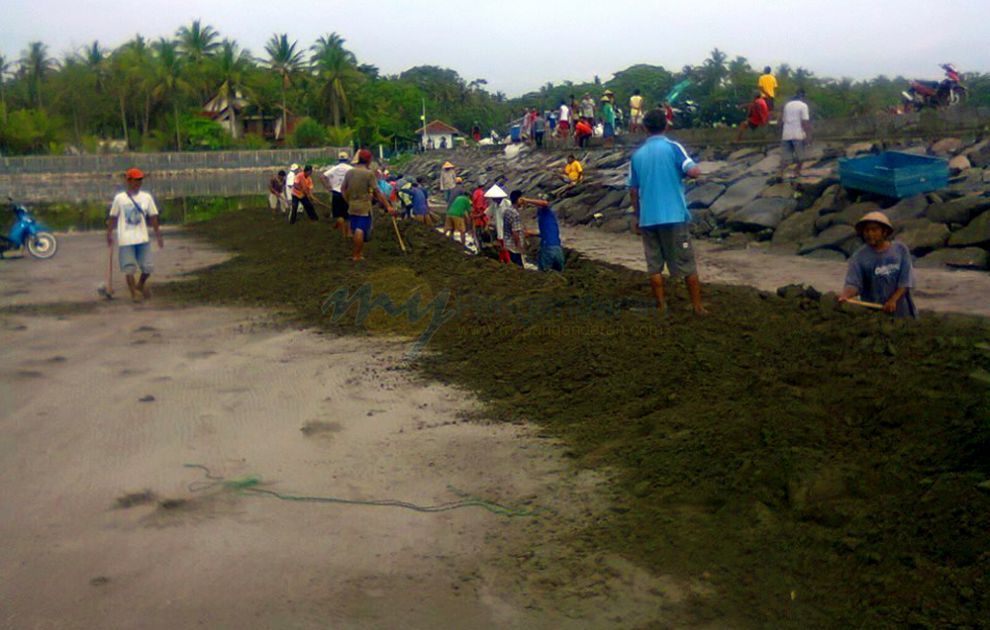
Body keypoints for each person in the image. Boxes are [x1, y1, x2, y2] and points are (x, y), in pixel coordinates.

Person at [628, 109, 706, 316]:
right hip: (674, 216)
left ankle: (662, 306)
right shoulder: (673, 147)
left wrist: (637, 217)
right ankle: (697, 306)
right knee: (687, 263)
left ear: (645, 128)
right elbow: (693, 171)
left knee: (654, 265)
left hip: (648, 218)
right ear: (666, 125)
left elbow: (633, 190)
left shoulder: (637, 155)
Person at [838, 212, 918, 318]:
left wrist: (893, 300)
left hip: (902, 312)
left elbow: (905, 281)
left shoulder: (900, 250)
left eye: (874, 230)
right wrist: (845, 295)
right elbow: (853, 283)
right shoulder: (859, 257)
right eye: (867, 231)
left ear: (884, 232)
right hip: (874, 313)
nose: (870, 234)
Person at [106, 168, 163, 303]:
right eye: (135, 180)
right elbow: (113, 217)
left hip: (142, 238)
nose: (138, 182)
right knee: (129, 268)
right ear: (128, 180)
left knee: (147, 268)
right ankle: (133, 293)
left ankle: (140, 285)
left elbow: (153, 216)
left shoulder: (146, 197)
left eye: (140, 180)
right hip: (126, 240)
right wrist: (109, 233)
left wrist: (158, 234)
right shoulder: (119, 198)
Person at [342, 149, 394, 262]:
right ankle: (357, 255)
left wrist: (348, 200)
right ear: (368, 160)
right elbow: (377, 192)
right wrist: (387, 206)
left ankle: (357, 254)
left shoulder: (350, 172)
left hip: (352, 205)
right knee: (360, 230)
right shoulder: (368, 174)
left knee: (355, 228)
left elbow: (343, 189)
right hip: (364, 206)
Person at [516, 195, 564, 272]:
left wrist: (526, 200)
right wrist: (531, 234)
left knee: (543, 274)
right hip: (558, 249)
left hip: (547, 249)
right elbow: (545, 233)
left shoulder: (546, 210)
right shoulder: (549, 219)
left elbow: (544, 203)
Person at [778, 90, 812, 180]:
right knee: (801, 157)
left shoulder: (787, 105)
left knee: (786, 159)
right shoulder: (803, 106)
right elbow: (805, 122)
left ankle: (780, 173)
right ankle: (796, 172)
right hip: (798, 135)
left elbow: (782, 121)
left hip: (786, 135)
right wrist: (808, 136)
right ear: (803, 97)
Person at [320, 151, 353, 238]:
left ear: (339, 159)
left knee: (339, 214)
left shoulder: (334, 168)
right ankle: (349, 233)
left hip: (336, 193)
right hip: (347, 193)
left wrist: (328, 187)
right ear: (347, 159)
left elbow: (322, 176)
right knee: (348, 214)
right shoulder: (350, 169)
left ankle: (343, 234)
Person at [484, 184, 511, 263]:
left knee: (506, 248)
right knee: (501, 248)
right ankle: (503, 261)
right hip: (499, 229)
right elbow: (488, 214)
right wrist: (487, 225)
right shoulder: (494, 205)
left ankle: (508, 262)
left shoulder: (507, 203)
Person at [503, 191, 527, 267]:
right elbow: (515, 232)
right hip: (514, 246)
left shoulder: (507, 210)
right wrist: (519, 247)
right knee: (519, 268)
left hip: (507, 243)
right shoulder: (515, 214)